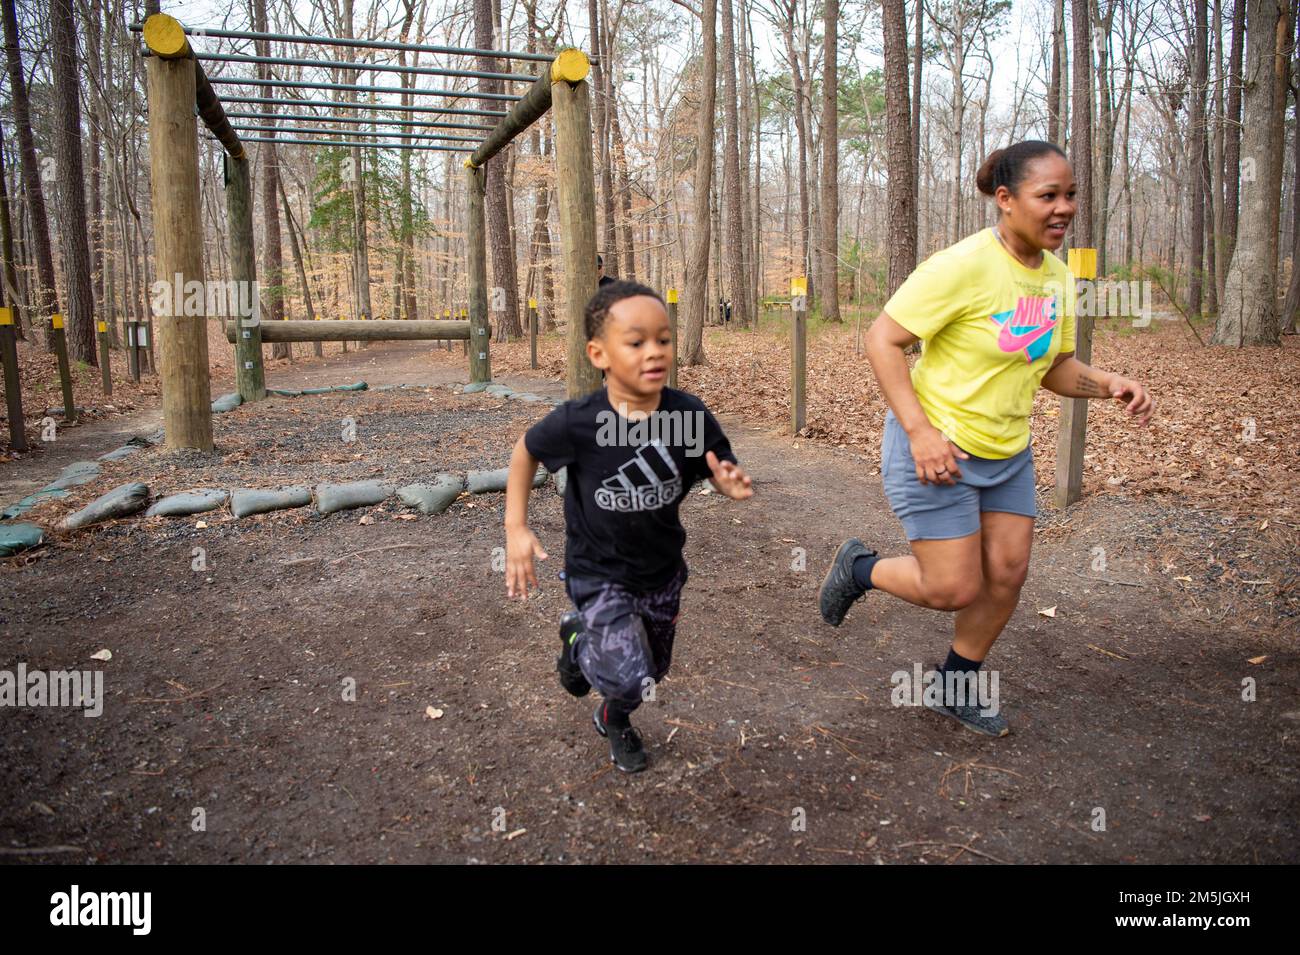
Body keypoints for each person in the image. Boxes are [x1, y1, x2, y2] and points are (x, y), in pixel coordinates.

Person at [819, 140, 1154, 737]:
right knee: (952, 587)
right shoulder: (963, 265)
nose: (1063, 208)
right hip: (937, 449)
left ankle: (954, 684)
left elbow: (1047, 364)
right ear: (1005, 200)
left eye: (1070, 194)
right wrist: (920, 433)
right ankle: (860, 568)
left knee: (1006, 573)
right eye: (1047, 195)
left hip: (1007, 453)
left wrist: (1108, 383)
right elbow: (882, 339)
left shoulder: (1056, 277)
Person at [504, 280, 754, 772]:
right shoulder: (581, 421)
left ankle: (613, 716)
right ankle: (581, 643)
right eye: (636, 342)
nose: (654, 352)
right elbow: (527, 451)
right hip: (597, 572)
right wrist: (516, 526)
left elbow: (717, 460)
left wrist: (726, 480)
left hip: (662, 571)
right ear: (599, 353)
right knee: (624, 671)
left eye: (663, 339)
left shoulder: (687, 415)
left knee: (650, 674)